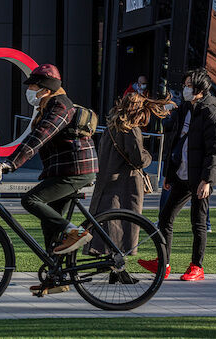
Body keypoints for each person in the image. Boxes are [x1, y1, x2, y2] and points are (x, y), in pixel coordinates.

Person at [0, 64, 99, 294]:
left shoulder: (60, 107)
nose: (30, 90)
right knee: (49, 222)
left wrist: (11, 163)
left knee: (31, 200)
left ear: (46, 88)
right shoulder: (48, 105)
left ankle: (77, 232)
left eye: (33, 86)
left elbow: (39, 137)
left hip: (76, 171)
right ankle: (57, 278)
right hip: (65, 170)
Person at [139, 68, 216, 281]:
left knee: (199, 221)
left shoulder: (211, 113)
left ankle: (197, 266)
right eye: (185, 85)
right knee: (166, 217)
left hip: (200, 178)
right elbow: (175, 140)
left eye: (188, 86)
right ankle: (163, 263)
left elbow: (215, 150)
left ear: (200, 89)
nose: (185, 89)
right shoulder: (186, 108)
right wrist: (169, 174)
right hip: (181, 174)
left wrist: (207, 180)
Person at [85, 93, 171, 284]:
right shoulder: (131, 129)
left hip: (108, 181)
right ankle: (118, 268)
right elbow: (138, 159)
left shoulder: (112, 125)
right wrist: (148, 156)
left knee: (108, 226)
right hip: (125, 185)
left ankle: (115, 269)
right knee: (123, 227)